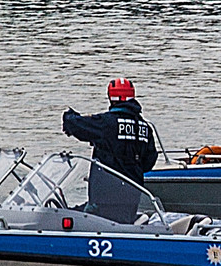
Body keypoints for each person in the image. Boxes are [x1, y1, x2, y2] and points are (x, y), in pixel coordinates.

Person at [64, 78, 160, 220]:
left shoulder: (106, 123)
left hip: (104, 202)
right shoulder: (145, 128)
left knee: (65, 214)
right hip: (131, 201)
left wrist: (69, 114)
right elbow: (149, 162)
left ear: (111, 98)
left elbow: (74, 124)